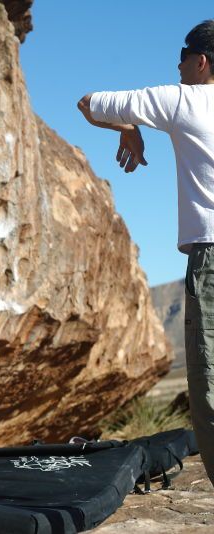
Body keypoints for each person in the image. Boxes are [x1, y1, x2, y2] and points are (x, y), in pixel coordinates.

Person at [76, 20, 214, 485]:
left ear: (201, 62)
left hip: (212, 258)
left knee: (211, 391)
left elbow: (88, 104)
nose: (175, 66)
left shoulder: (185, 99)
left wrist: (130, 126)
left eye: (181, 56)